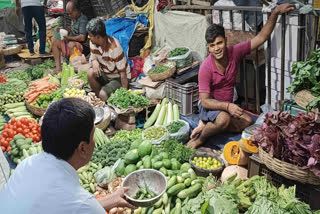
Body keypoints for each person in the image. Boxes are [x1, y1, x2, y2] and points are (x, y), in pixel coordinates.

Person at [187, 3, 296, 149]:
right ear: (209, 47)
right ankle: (200, 138)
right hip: (210, 106)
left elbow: (261, 37)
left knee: (248, 121)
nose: (216, 48)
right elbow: (205, 102)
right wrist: (228, 106)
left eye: (219, 43)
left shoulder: (235, 52)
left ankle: (206, 125)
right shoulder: (206, 67)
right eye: (212, 45)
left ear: (225, 41)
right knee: (224, 119)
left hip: (226, 107)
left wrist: (275, 12)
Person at [0, 98, 135, 213]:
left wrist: (111, 199)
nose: (94, 142)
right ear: (82, 148)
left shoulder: (27, 164)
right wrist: (91, 206)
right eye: (93, 136)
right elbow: (78, 207)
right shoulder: (80, 202)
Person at [87, 18, 131, 102]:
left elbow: (123, 74)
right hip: (106, 73)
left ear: (98, 37)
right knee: (90, 73)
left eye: (91, 35)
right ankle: (97, 100)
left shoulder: (115, 48)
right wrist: (94, 61)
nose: (88, 37)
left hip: (118, 77)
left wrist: (125, 93)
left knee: (103, 94)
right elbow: (93, 57)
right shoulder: (93, 43)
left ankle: (103, 98)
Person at [52, 1, 89, 73]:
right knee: (55, 42)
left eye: (70, 13)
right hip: (72, 42)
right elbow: (71, 28)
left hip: (83, 46)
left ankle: (75, 69)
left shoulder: (83, 19)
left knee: (71, 44)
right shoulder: (74, 19)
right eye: (68, 14)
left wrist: (69, 38)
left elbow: (82, 37)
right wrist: (63, 29)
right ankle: (58, 69)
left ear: (75, 10)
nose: (69, 15)